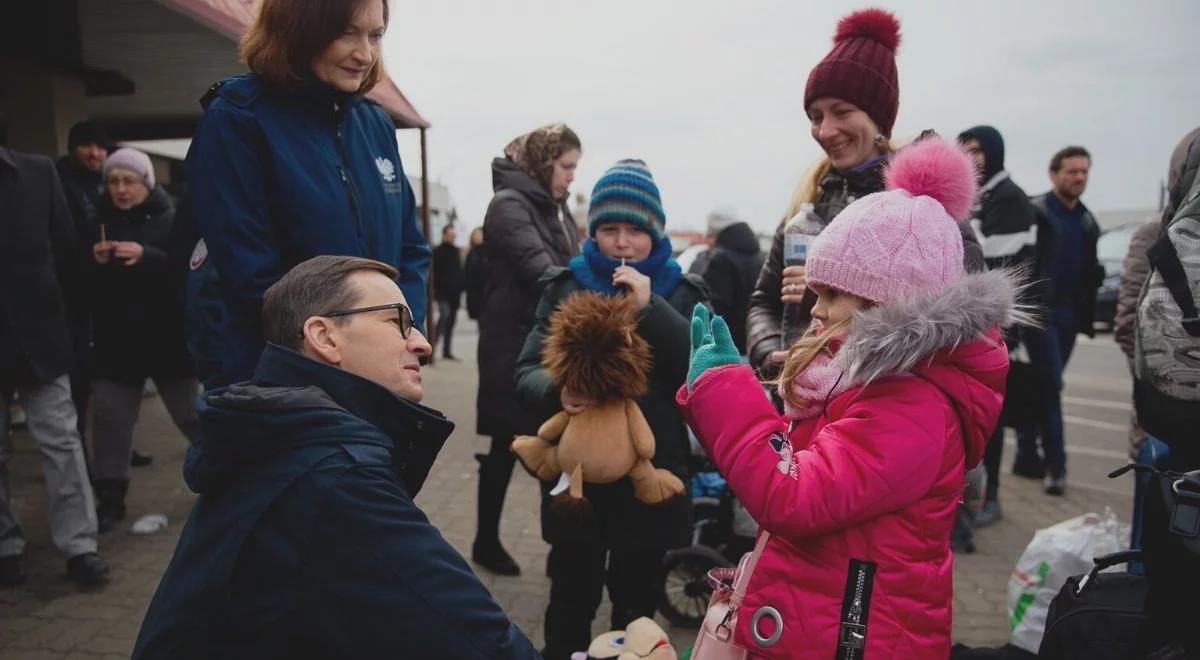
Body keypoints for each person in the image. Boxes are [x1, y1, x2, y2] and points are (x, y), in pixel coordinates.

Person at [679, 138, 1018, 659]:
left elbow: (792, 495)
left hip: (856, 636)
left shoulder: (910, 404)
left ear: (888, 302)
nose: (815, 310)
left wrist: (726, 392)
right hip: (833, 623)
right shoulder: (876, 384)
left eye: (833, 294)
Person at [132, 255, 537, 659]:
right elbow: (480, 643)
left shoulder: (283, 432)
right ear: (324, 337)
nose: (422, 343)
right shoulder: (335, 473)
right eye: (398, 320)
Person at [516, 159, 705, 660]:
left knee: (637, 609)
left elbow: (702, 371)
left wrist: (650, 308)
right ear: (592, 232)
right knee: (570, 600)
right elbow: (525, 369)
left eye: (635, 231)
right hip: (578, 482)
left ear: (656, 233)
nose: (622, 242)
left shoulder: (682, 293)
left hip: (650, 475)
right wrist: (557, 390)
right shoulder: (565, 287)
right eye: (609, 229)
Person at [187, 0, 430, 385]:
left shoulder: (375, 125)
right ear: (296, 28)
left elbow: (411, 252)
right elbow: (252, 276)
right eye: (345, 32)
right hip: (287, 386)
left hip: (381, 382)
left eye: (375, 34)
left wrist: (401, 332)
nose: (364, 53)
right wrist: (354, 348)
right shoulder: (238, 121)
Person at [745, 8, 983, 380]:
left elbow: (958, 318)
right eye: (815, 115)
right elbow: (762, 300)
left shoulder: (922, 203)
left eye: (841, 112)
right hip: (798, 400)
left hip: (877, 401)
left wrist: (825, 298)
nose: (825, 130)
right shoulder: (810, 197)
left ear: (879, 121)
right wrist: (770, 352)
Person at [475, 122, 582, 576]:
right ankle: (489, 540)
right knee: (512, 446)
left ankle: (560, 546)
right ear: (542, 162)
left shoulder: (554, 207)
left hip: (545, 347)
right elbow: (544, 272)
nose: (572, 177)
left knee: (543, 442)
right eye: (566, 166)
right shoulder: (509, 205)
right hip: (514, 349)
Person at [0, 146, 109, 587]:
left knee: (62, 441)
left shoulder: (35, 172)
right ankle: (5, 546)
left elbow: (68, 253)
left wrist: (74, 329)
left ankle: (80, 546)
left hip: (39, 340)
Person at [87, 148, 200, 532]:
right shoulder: (96, 221)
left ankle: (223, 478)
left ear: (146, 183)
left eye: (129, 181)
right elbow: (75, 280)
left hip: (167, 341)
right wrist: (93, 262)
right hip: (115, 346)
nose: (120, 189)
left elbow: (189, 273)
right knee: (110, 424)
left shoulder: (173, 219)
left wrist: (149, 255)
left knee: (193, 417)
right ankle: (110, 500)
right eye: (114, 181)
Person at [957, 125, 1040, 528]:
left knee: (987, 423)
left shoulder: (1009, 199)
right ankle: (969, 500)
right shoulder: (981, 196)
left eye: (978, 151)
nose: (970, 158)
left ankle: (986, 500)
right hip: (978, 324)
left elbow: (994, 266)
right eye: (964, 151)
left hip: (998, 330)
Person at [1020, 146, 1102, 495]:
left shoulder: (1087, 220)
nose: (1079, 177)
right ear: (1054, 174)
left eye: (1084, 171)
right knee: (1052, 387)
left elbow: (1089, 272)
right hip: (1041, 314)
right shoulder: (1037, 212)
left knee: (1043, 386)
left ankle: (1026, 453)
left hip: (1068, 315)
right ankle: (1057, 466)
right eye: (1072, 171)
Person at [697, 208, 763, 354]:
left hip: (728, 350)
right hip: (755, 343)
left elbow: (713, 308)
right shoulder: (759, 255)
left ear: (714, 235)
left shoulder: (720, 259)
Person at [432, 224, 465, 359]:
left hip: (455, 293)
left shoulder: (457, 251)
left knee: (451, 322)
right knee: (444, 316)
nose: (452, 237)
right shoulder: (437, 251)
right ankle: (432, 344)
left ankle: (447, 351)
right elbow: (434, 272)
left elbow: (459, 271)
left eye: (453, 235)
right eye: (450, 235)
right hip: (441, 293)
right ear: (444, 235)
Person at [463, 226, 487, 321]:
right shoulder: (471, 253)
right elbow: (467, 273)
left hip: (486, 292)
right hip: (474, 293)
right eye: (475, 235)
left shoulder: (488, 252)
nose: (477, 237)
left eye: (479, 234)